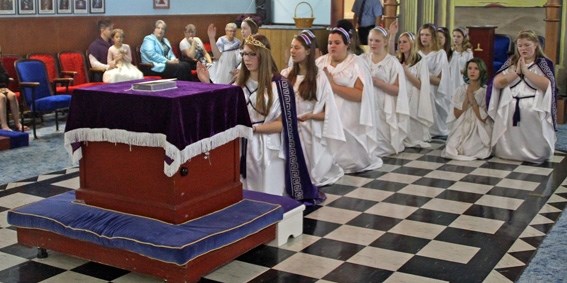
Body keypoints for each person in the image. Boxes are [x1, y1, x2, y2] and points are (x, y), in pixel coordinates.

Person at [197, 34, 325, 205]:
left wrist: (253, 129)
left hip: (268, 147)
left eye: (252, 54)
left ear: (262, 56)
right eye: (244, 54)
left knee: (267, 195)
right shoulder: (238, 83)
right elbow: (223, 106)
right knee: (245, 195)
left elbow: (283, 124)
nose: (246, 59)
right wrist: (207, 83)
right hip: (244, 148)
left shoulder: (280, 86)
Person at [281, 32, 344, 186]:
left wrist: (310, 116)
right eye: (291, 47)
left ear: (308, 51)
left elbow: (329, 113)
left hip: (310, 132)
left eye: (297, 48)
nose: (292, 51)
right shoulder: (286, 74)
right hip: (288, 130)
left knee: (310, 176)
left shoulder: (319, 78)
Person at [315, 27, 382, 173]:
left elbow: (360, 95)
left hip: (349, 115)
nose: (332, 46)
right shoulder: (320, 63)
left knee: (350, 161)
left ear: (347, 44)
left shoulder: (357, 64)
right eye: (330, 42)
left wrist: (332, 86)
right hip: (324, 114)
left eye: (337, 42)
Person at [488, 30, 557, 163]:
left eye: (527, 45)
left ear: (535, 45)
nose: (523, 48)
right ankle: (508, 152)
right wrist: (516, 72)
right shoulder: (511, 62)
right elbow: (497, 83)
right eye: (520, 45)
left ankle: (534, 153)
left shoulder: (543, 63)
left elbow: (547, 85)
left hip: (534, 108)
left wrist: (526, 71)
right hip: (511, 104)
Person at [361, 26, 409, 156]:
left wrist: (379, 83)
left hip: (384, 104)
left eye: (377, 41)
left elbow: (398, 90)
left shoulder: (392, 63)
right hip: (367, 102)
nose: (373, 44)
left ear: (385, 42)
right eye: (371, 40)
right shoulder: (362, 60)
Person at [442, 58, 492, 160]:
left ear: (481, 71)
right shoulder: (460, 90)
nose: (472, 71)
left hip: (478, 126)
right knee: (452, 147)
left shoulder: (485, 91)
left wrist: (472, 99)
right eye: (469, 68)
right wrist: (466, 97)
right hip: (462, 123)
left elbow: (483, 118)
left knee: (470, 150)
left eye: (476, 69)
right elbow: (457, 115)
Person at [418, 23, 451, 138]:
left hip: (433, 91)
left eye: (427, 35)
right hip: (417, 87)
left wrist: (422, 75)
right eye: (422, 34)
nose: (424, 37)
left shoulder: (439, 54)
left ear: (433, 37)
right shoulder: (417, 53)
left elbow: (441, 80)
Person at [0, 65, 25, 132]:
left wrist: (5, 79)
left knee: (13, 96)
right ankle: (4, 125)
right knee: (2, 97)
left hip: (2, 87)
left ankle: (17, 124)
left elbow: (5, 76)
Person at [449, 27, 474, 93]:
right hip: (450, 80)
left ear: (464, 38)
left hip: (462, 80)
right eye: (454, 36)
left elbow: (471, 67)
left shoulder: (468, 52)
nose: (455, 38)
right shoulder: (451, 51)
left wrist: (465, 71)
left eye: (458, 36)